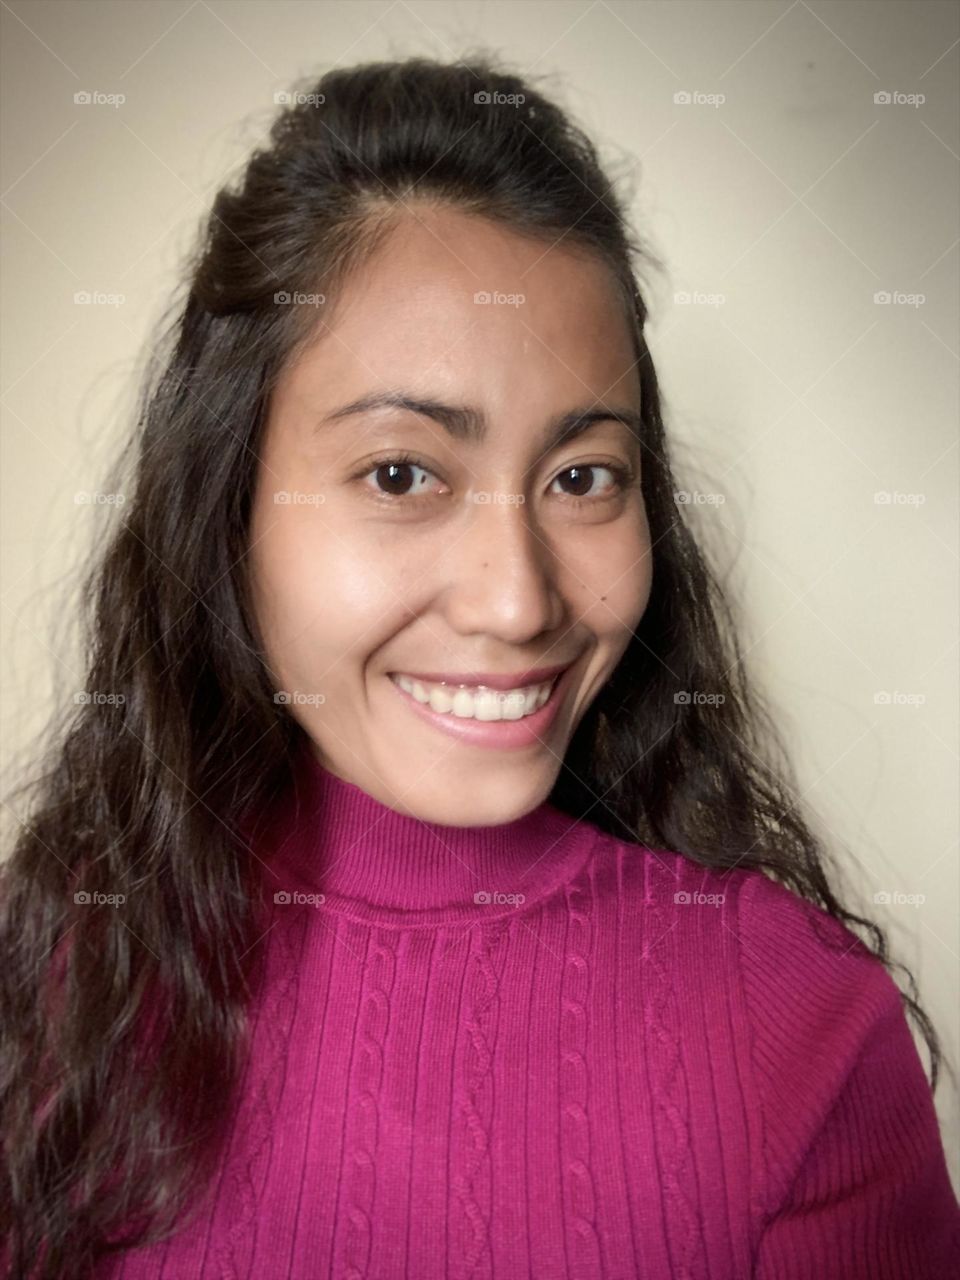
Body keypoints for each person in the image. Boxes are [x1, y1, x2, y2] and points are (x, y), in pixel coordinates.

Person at [2, 54, 958, 1280]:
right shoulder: (59, 973)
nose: (518, 601)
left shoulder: (806, 1033)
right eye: (402, 473)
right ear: (230, 499)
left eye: (582, 477)